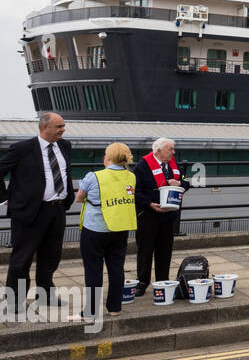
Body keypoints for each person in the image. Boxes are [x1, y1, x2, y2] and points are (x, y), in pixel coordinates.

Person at [0, 111, 74, 311]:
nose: (63, 130)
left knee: (51, 256)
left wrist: (68, 198)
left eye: (63, 126)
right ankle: (15, 301)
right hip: (30, 212)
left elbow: (65, 173)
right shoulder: (22, 149)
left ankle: (45, 295)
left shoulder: (65, 146)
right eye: (59, 126)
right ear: (44, 127)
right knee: (21, 258)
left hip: (57, 210)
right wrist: (5, 198)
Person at [75, 142, 137, 322]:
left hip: (95, 228)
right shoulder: (131, 177)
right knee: (116, 268)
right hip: (119, 228)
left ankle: (91, 311)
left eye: (105, 154)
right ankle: (115, 308)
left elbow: (79, 198)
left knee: (93, 269)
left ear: (108, 158)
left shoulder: (94, 176)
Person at [132, 136, 191, 297]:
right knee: (145, 250)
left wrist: (179, 184)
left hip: (169, 216)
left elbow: (186, 182)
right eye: (170, 149)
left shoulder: (174, 165)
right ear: (158, 151)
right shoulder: (142, 166)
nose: (174, 152)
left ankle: (162, 280)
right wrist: (149, 204)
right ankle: (142, 282)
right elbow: (135, 192)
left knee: (165, 251)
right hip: (148, 215)